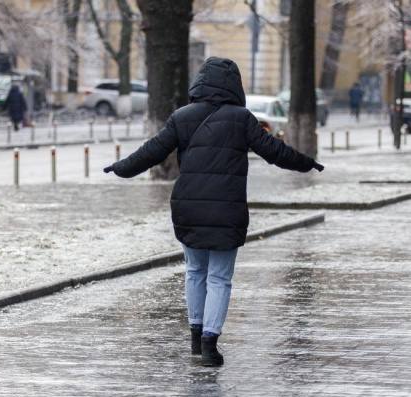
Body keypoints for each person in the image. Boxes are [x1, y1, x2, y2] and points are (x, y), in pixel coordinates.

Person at [103, 57, 324, 367]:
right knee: (219, 277)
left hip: (188, 207)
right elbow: (274, 151)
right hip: (227, 211)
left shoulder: (182, 117)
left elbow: (152, 151)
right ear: (234, 85)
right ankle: (209, 345)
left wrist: (121, 168)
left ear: (200, 82)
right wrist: (306, 162)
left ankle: (195, 338)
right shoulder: (242, 119)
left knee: (195, 271)